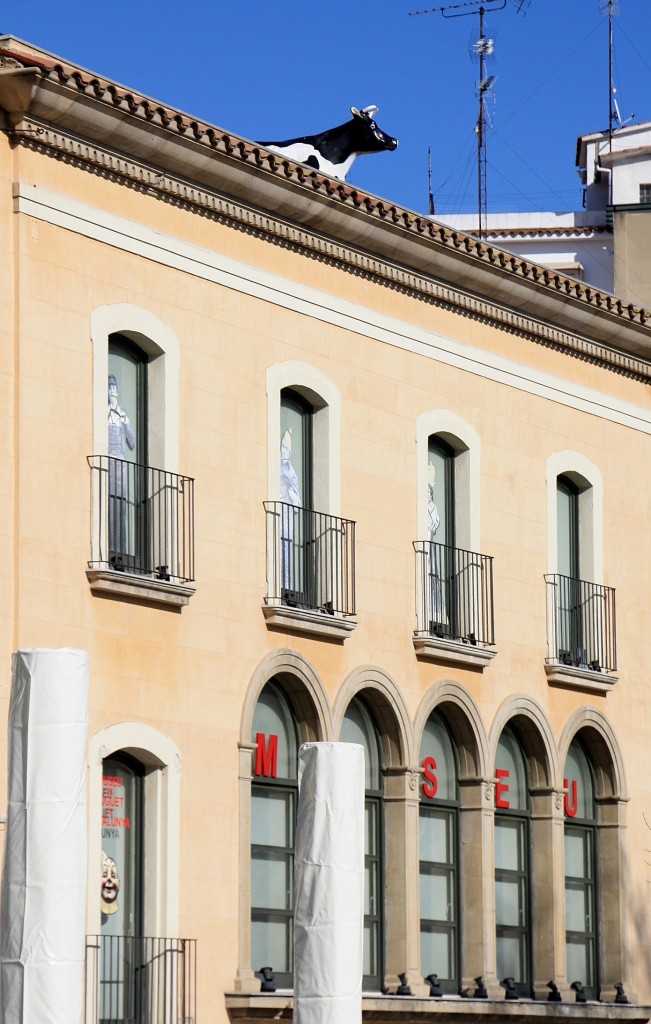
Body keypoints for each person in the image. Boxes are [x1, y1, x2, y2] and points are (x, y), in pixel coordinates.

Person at [107, 374, 136, 563]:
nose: (112, 391)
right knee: (109, 505)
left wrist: (122, 416)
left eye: (114, 388)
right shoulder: (104, 413)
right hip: (108, 462)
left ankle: (121, 550)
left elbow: (132, 442)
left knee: (121, 507)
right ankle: (110, 549)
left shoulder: (122, 413)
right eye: (110, 388)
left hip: (121, 464)